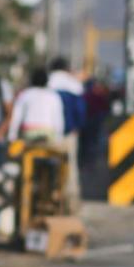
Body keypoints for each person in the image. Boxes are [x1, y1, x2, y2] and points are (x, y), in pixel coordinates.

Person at [48, 57, 85, 211]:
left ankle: (50, 202)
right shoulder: (74, 85)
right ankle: (70, 206)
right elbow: (81, 111)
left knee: (49, 169)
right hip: (69, 133)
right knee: (70, 169)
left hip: (49, 134)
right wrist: (77, 126)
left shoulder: (47, 82)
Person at [8, 67, 65, 142]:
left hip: (28, 133)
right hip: (48, 134)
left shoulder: (25, 94)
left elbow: (16, 117)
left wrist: (12, 136)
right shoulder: (54, 96)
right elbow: (58, 120)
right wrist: (59, 138)